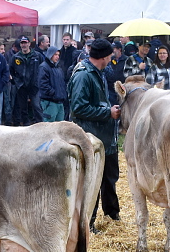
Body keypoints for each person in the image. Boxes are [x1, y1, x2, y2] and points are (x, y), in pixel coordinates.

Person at [69, 39, 121, 232]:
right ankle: (87, 225)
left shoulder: (97, 72)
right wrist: (108, 113)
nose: (111, 59)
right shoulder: (83, 75)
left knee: (108, 179)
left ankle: (111, 217)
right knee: (91, 184)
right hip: (90, 137)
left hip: (103, 138)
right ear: (104, 57)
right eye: (109, 56)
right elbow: (78, 108)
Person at [10, 36, 44, 125]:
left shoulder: (37, 55)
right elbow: (11, 71)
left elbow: (43, 69)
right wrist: (17, 82)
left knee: (37, 106)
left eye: (25, 43)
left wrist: (38, 82)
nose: (24, 45)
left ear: (29, 44)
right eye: (22, 43)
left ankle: (40, 125)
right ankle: (25, 125)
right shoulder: (15, 57)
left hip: (34, 86)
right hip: (21, 86)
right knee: (22, 108)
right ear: (20, 45)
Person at [37, 49, 68, 122]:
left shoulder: (58, 68)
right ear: (50, 55)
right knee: (49, 127)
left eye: (58, 55)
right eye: (55, 54)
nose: (57, 57)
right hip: (50, 102)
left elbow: (62, 83)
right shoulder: (44, 67)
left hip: (59, 101)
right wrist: (53, 93)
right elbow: (43, 84)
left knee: (59, 127)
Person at [104, 41, 127, 107]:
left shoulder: (126, 60)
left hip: (122, 89)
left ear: (119, 49)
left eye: (114, 49)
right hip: (111, 89)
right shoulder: (109, 60)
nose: (112, 51)